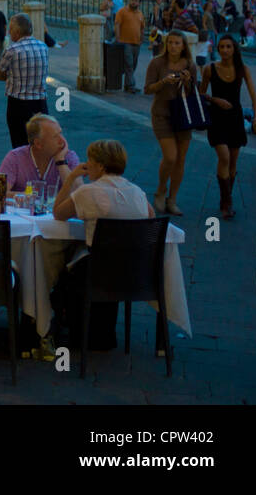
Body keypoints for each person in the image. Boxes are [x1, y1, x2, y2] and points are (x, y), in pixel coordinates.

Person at [51, 139, 155, 352]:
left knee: (62, 270)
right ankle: (103, 334)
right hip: (134, 272)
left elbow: (58, 213)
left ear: (100, 165)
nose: (87, 165)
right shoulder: (137, 192)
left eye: (90, 160)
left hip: (97, 271)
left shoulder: (89, 192)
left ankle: (66, 329)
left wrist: (71, 177)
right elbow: (150, 218)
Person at [202, 36, 256, 219]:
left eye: (228, 46)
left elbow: (254, 95)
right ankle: (227, 203)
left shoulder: (243, 69)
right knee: (224, 157)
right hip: (217, 117)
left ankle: (226, 199)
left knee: (233, 162)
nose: (225, 50)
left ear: (234, 48)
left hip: (235, 118)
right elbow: (201, 93)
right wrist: (214, 99)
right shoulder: (210, 69)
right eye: (221, 47)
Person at [145, 32, 195, 215]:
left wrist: (188, 81)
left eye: (177, 43)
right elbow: (148, 89)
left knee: (181, 159)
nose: (173, 46)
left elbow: (193, 93)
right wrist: (163, 82)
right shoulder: (157, 63)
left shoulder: (190, 65)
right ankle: (160, 190)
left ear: (183, 46)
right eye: (171, 42)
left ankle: (172, 199)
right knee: (171, 156)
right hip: (162, 115)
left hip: (183, 116)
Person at [0, 13, 49, 148]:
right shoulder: (43, 47)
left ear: (17, 32)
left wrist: (13, 76)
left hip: (19, 104)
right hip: (40, 103)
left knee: (19, 143)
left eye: (11, 29)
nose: (9, 32)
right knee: (39, 144)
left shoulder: (12, 50)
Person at [0, 113, 78, 193]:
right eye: (55, 136)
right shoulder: (14, 157)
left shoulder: (69, 157)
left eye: (60, 133)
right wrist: (29, 197)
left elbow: (79, 194)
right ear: (38, 144)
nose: (62, 140)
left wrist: (61, 162)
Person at [115, 0, 146, 93]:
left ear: (139, 3)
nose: (134, 2)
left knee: (133, 65)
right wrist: (118, 38)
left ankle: (127, 85)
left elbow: (142, 28)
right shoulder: (122, 11)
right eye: (132, 0)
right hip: (125, 42)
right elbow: (117, 25)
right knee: (129, 64)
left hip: (136, 43)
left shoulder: (140, 14)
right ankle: (131, 85)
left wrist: (142, 39)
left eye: (136, 1)